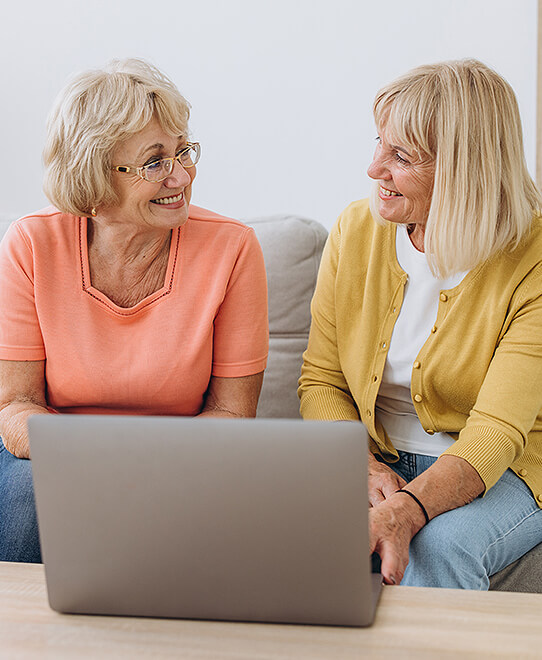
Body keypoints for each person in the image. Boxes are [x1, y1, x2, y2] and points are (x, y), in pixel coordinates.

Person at [0, 59, 268, 563]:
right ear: (96, 175)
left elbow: (233, 413)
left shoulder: (232, 249)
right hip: (56, 454)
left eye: (183, 153)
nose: (182, 176)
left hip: (187, 455)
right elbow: (14, 408)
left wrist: (148, 465)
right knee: (23, 496)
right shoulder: (30, 245)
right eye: (155, 162)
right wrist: (97, 459)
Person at [298, 59, 542, 589]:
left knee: (438, 550)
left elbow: (497, 433)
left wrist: (408, 509)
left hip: (506, 470)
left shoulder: (533, 257)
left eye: (401, 156)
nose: (373, 168)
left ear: (463, 169)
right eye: (378, 143)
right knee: (274, 529)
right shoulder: (356, 230)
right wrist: (364, 471)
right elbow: (322, 381)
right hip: (376, 455)